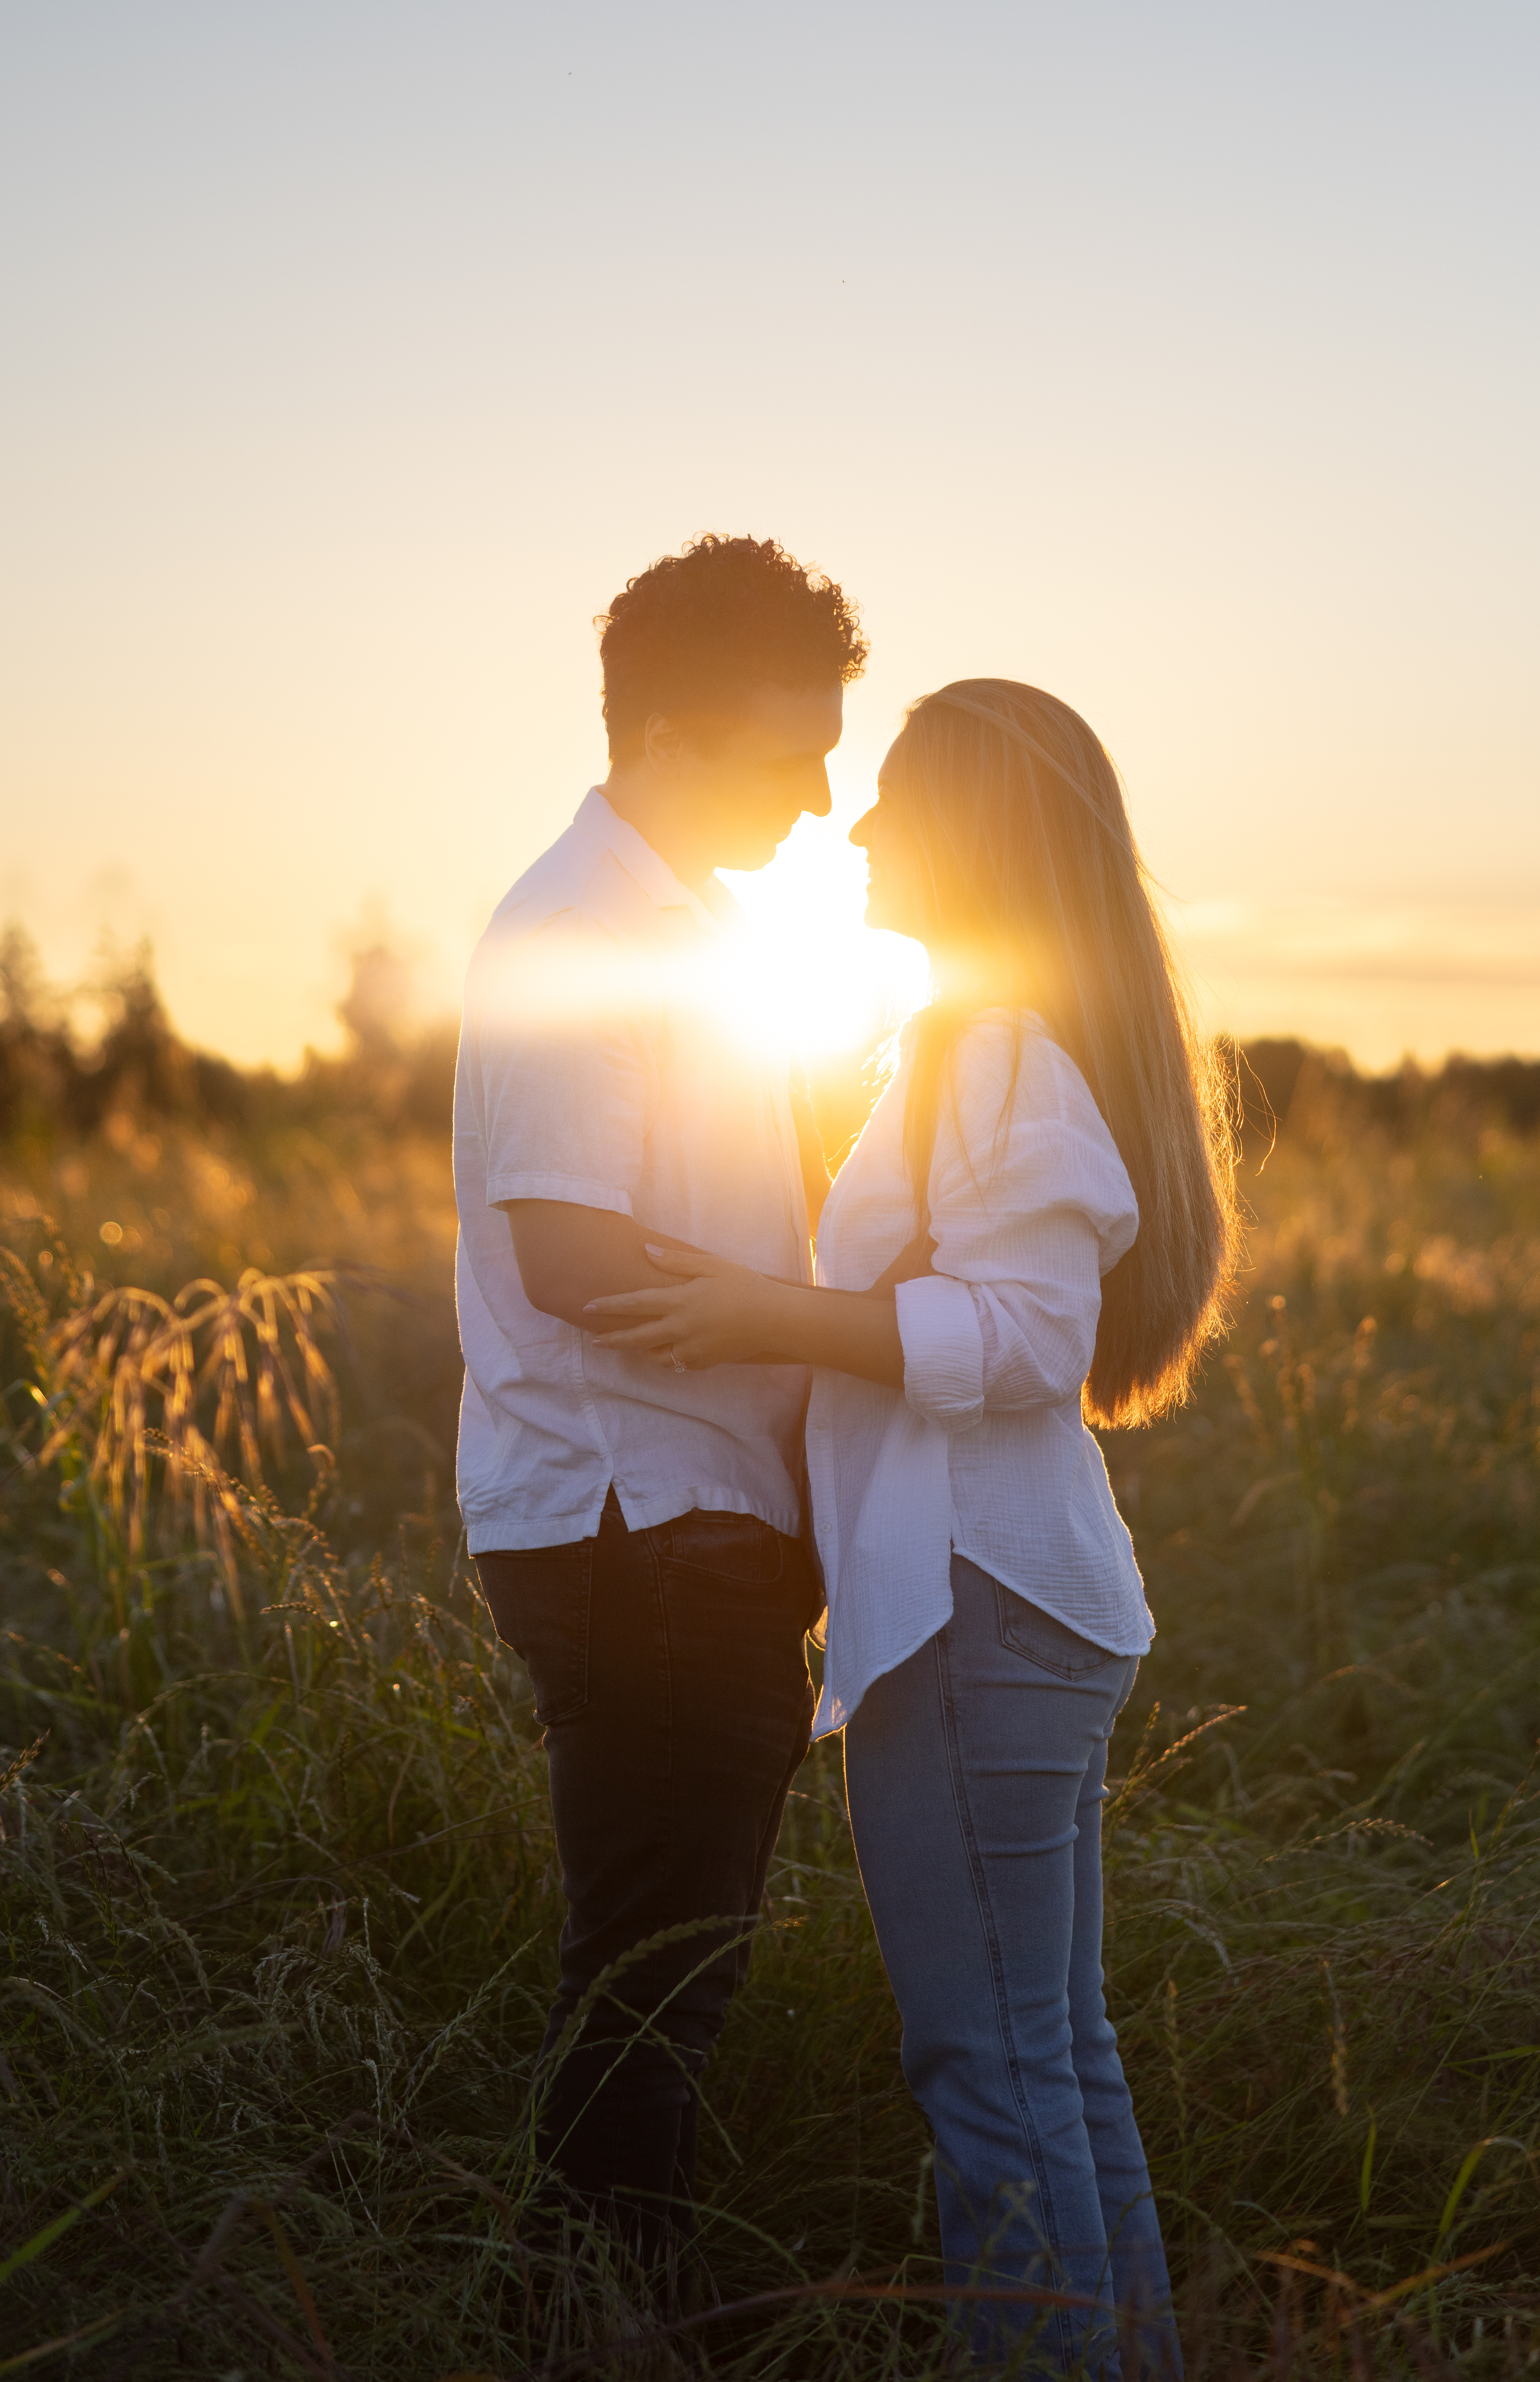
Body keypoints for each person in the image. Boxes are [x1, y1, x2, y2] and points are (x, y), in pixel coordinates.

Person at [588, 677, 1237, 2378]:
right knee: (1052, 2050)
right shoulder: (994, 1038)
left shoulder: (1000, 1048)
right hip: (1016, 1600)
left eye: (890, 799)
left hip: (979, 1607)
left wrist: (765, 1311)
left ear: (967, 829)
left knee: (987, 2062)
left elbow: (1026, 1339)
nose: (858, 829)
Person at [453, 532, 868, 2270]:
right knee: (652, 1986)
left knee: (662, 1976)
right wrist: (838, 1333)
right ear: (672, 734)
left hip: (689, 1522)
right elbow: (570, 1255)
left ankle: (596, 2306)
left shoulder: (683, 923)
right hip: (647, 1522)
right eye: (791, 752)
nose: (826, 797)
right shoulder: (580, 928)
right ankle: (592, 2318)